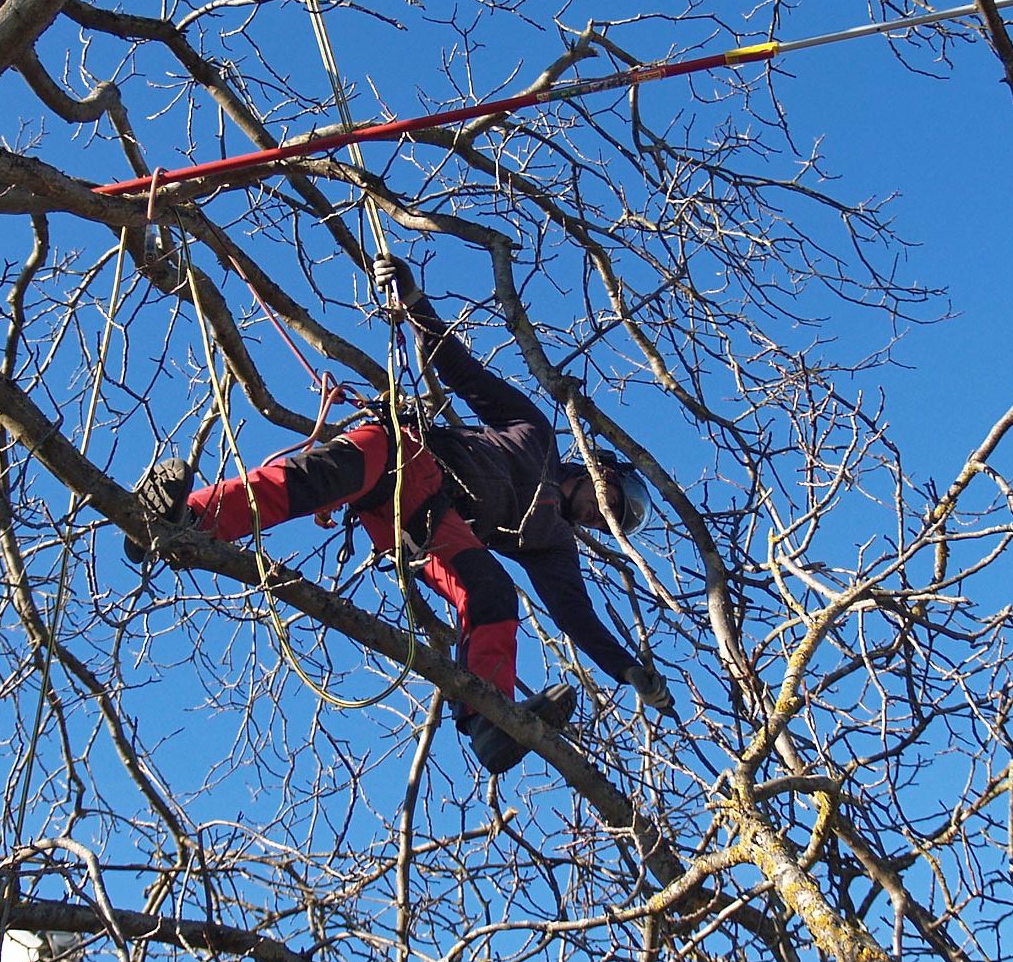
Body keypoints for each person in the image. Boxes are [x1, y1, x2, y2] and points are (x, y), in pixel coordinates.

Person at [125, 255, 675, 773]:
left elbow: (576, 615)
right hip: (411, 452)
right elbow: (464, 372)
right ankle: (184, 520)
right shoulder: (535, 431)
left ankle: (491, 720)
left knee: (490, 591)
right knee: (318, 477)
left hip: (433, 522)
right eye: (614, 507)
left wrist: (627, 669)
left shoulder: (553, 541)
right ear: (597, 471)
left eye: (613, 525)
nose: (604, 519)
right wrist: (414, 301)